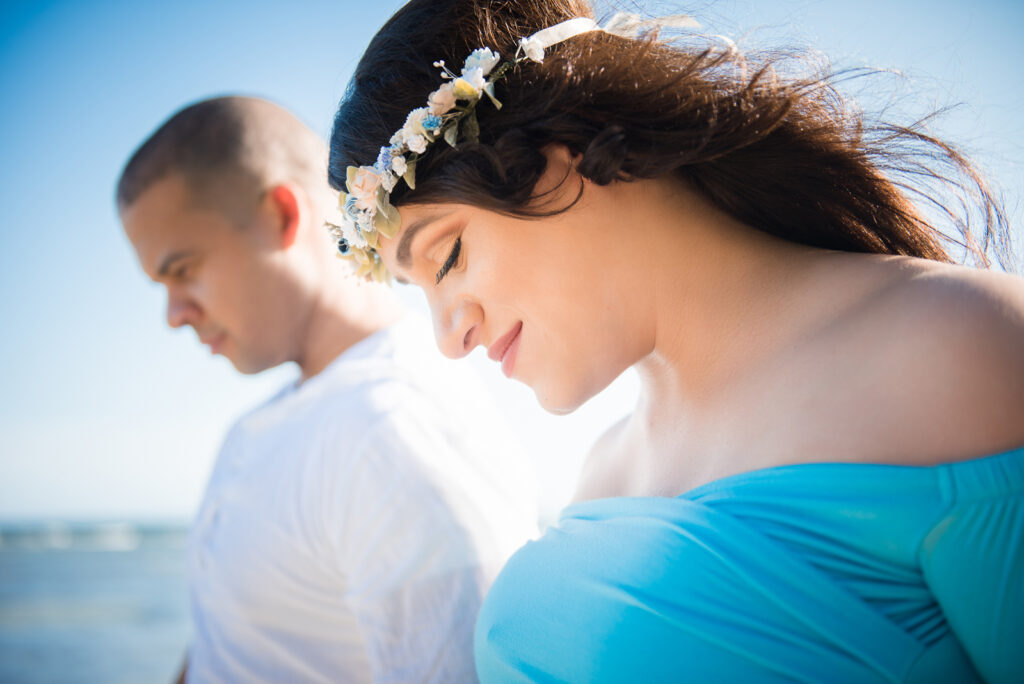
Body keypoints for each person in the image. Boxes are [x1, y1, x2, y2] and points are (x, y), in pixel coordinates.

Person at [326, 1, 1024, 682]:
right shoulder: (602, 476)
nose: (451, 339)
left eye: (446, 259)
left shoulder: (957, 351)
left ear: (562, 150)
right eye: (418, 294)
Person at [116, 95, 538, 684]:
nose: (174, 315)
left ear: (281, 216)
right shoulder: (278, 420)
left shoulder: (388, 429)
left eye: (183, 269)